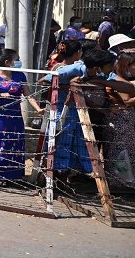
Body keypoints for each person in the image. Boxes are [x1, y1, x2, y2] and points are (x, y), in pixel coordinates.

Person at [43, 48, 116, 179]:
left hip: (79, 112)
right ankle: (53, 175)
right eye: (110, 66)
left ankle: (66, 175)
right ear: (97, 68)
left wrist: (99, 83)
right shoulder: (73, 70)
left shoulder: (101, 75)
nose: (112, 68)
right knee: (60, 141)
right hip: (62, 111)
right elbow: (45, 80)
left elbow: (122, 84)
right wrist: (69, 86)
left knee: (75, 143)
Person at [0, 49, 43, 183]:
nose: (19, 62)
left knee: (14, 143)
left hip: (15, 117)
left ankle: (13, 175)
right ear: (8, 62)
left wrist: (38, 109)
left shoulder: (20, 76)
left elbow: (28, 94)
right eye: (17, 59)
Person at [106, 51, 135, 188]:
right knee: (121, 149)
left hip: (125, 119)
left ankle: (123, 181)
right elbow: (126, 102)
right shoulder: (119, 82)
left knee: (125, 149)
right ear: (126, 65)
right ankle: (119, 182)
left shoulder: (124, 81)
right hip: (122, 120)